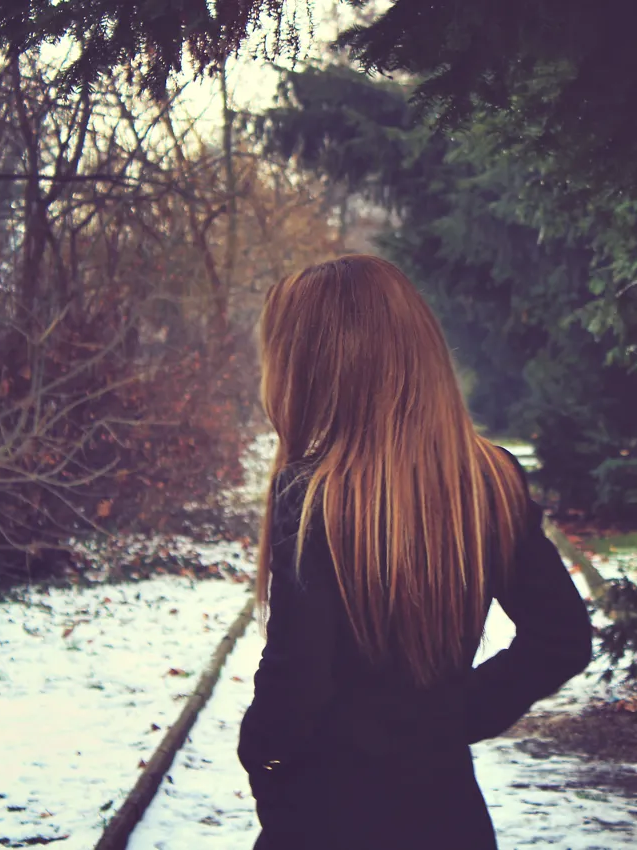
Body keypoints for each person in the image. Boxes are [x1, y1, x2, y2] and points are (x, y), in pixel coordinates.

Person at [238, 254, 593, 849]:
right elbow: (560, 638)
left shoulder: (312, 495)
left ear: (316, 367)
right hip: (446, 815)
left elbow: (296, 681)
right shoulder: (489, 479)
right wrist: (445, 720)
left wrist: (266, 765)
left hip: (329, 817)